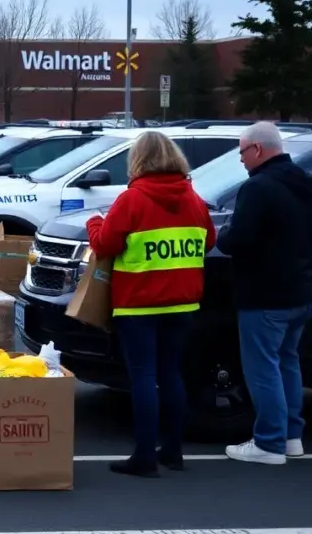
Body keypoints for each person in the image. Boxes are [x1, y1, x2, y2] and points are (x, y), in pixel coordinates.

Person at [85, 131, 215, 478]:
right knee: (171, 374)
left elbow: (105, 245)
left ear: (137, 161)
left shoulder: (132, 200)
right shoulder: (194, 200)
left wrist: (94, 222)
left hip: (139, 305)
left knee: (143, 377)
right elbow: (209, 239)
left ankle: (144, 456)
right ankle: (173, 450)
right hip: (183, 304)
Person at [217, 122, 312, 465]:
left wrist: (222, 235)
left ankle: (269, 443)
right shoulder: (306, 183)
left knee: (262, 369)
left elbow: (239, 240)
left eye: (242, 153)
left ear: (257, 150)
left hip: (265, 294)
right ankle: (292, 436)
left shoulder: (258, 188)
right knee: (287, 363)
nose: (241, 160)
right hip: (304, 291)